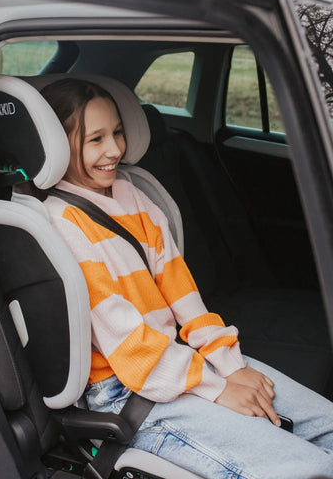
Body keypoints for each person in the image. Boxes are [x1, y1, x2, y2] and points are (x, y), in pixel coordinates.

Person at [42, 77, 333, 479]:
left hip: (178, 364)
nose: (114, 150)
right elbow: (130, 346)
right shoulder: (61, 223)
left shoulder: (135, 195)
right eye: (95, 140)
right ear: (57, 145)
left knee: (328, 426)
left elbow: (183, 294)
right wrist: (217, 389)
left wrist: (230, 366)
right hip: (127, 394)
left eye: (118, 133)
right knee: (313, 469)